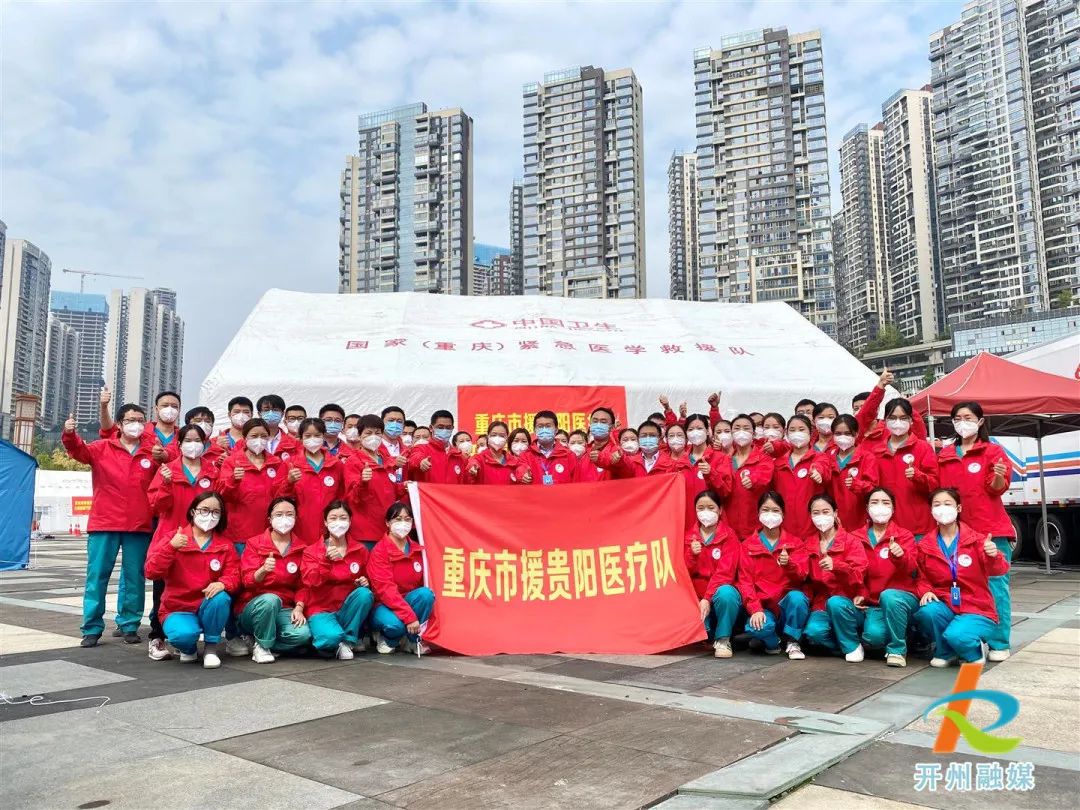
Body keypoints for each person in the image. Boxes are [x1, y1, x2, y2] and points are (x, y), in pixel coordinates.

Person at [62, 405, 160, 647]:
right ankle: (91, 628)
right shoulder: (102, 448)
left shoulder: (151, 453)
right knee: (97, 577)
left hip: (138, 524)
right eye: (130, 420)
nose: (135, 424)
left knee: (135, 578)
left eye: (140, 420)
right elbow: (78, 451)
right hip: (105, 523)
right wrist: (69, 433)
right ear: (118, 424)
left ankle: (129, 624)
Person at [937, 401, 1015, 661]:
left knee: (995, 587)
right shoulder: (946, 455)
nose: (962, 422)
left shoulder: (992, 451)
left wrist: (998, 475)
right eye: (957, 418)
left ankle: (999, 641)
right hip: (957, 533)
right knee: (963, 588)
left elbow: (996, 488)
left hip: (989, 530)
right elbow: (940, 493)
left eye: (968, 417)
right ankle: (969, 639)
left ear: (980, 421)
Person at [146, 424, 220, 661]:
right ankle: (157, 636)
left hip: (203, 538)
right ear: (178, 445)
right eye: (187, 440)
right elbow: (157, 506)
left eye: (197, 440)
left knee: (206, 587)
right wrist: (167, 484)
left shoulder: (212, 471)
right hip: (172, 536)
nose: (193, 444)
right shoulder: (167, 470)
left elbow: (220, 505)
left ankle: (199, 637)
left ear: (205, 443)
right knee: (162, 589)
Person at [913, 489, 1009, 666]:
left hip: (976, 606)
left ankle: (973, 650)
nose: (942, 508)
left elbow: (999, 569)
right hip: (947, 603)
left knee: (957, 635)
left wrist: (993, 555)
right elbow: (922, 576)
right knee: (927, 612)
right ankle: (946, 652)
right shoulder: (925, 545)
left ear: (958, 508)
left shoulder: (977, 540)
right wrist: (926, 590)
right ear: (931, 511)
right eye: (937, 504)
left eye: (947, 504)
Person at [143, 492, 240, 669]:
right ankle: (188, 648)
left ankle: (211, 648)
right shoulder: (174, 538)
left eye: (215, 512)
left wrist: (223, 583)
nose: (209, 516)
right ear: (193, 511)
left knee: (221, 598)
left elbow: (234, 574)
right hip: (178, 607)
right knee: (183, 635)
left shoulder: (225, 544)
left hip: (207, 604)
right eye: (204, 510)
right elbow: (151, 571)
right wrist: (171, 547)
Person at [236, 497, 312, 663]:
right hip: (255, 606)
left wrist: (299, 607)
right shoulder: (254, 544)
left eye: (289, 514)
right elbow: (247, 581)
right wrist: (262, 570)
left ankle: (259, 641)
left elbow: (304, 585)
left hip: (285, 608)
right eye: (279, 514)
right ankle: (262, 646)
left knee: (303, 635)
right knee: (270, 600)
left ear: (296, 518)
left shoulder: (303, 548)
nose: (284, 518)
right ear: (270, 519)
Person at [850, 487, 919, 667]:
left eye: (885, 502)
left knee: (889, 595)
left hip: (900, 598)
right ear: (867, 508)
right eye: (874, 502)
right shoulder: (855, 537)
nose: (880, 507)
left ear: (893, 509)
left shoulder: (904, 536)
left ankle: (897, 650)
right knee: (874, 638)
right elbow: (853, 571)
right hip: (872, 604)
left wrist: (900, 556)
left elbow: (912, 568)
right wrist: (861, 592)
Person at [736, 491, 810, 659]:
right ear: (758, 514)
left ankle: (792, 642)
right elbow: (745, 582)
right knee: (758, 628)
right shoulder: (747, 545)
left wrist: (789, 564)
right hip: (763, 607)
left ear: (783, 514)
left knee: (798, 598)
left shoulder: (795, 543)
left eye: (775, 510)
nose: (770, 515)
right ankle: (771, 641)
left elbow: (803, 575)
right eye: (765, 510)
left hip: (786, 607)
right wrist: (755, 609)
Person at [301, 501, 374, 659]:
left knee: (364, 594)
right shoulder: (311, 551)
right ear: (326, 522)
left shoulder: (360, 550)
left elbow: (367, 578)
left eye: (343, 517)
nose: (338, 522)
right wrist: (326, 561)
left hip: (346, 609)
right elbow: (310, 582)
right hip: (321, 609)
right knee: (329, 639)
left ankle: (347, 640)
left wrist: (364, 581)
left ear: (350, 521)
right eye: (333, 518)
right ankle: (333, 638)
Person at [801, 495, 869, 661]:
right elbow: (805, 579)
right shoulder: (808, 544)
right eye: (816, 513)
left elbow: (860, 574)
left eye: (826, 511)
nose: (821, 516)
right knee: (813, 633)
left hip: (848, 602)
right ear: (810, 516)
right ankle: (843, 645)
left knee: (836, 603)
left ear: (835, 513)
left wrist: (838, 566)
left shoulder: (851, 541)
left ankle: (852, 645)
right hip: (822, 604)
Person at [367, 502, 434, 654]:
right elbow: (385, 590)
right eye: (398, 519)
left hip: (408, 600)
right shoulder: (379, 551)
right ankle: (388, 639)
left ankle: (411, 641)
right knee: (395, 625)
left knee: (426, 595)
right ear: (387, 523)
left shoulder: (417, 549)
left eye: (407, 519)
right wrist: (409, 617)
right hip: (383, 604)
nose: (403, 523)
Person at [869, 398, 939, 538]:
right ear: (885, 421)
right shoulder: (876, 451)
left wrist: (918, 476)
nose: (897, 422)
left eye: (903, 418)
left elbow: (935, 484)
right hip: (885, 523)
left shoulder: (922, 448)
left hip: (918, 524)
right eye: (893, 418)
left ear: (911, 421)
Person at [685, 491, 743, 658]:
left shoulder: (729, 536)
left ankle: (723, 639)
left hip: (716, 593)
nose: (706, 512)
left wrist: (707, 598)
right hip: (694, 594)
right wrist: (691, 555)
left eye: (711, 507)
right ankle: (705, 633)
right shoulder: (688, 537)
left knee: (727, 593)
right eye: (700, 508)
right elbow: (682, 571)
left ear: (720, 510)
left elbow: (725, 573)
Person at [216, 418, 288, 549]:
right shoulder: (231, 462)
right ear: (245, 437)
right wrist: (233, 480)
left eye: (263, 436)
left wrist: (290, 482)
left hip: (269, 532)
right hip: (239, 533)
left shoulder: (276, 463)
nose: (259, 439)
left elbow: (281, 495)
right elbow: (223, 496)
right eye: (254, 436)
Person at [280, 417, 345, 545]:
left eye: (317, 435)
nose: (313, 439)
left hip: (330, 527)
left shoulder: (336, 464)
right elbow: (279, 497)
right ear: (300, 437)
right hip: (300, 527)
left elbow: (342, 495)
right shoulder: (290, 464)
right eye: (308, 435)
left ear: (323, 436)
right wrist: (289, 482)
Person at [770, 414, 832, 539]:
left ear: (811, 432)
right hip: (785, 526)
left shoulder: (819, 457)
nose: (796, 433)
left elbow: (822, 468)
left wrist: (818, 472)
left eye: (801, 429)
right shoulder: (778, 463)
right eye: (792, 430)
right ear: (786, 433)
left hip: (812, 526)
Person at [344, 414, 405, 540]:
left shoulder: (387, 461)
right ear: (360, 436)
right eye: (368, 433)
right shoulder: (353, 461)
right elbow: (352, 498)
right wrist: (363, 482)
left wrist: (403, 487)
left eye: (377, 433)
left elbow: (389, 492)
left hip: (388, 528)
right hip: (365, 532)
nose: (373, 437)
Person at [724, 414, 775, 539]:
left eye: (746, 428)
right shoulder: (725, 460)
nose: (741, 432)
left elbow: (764, 474)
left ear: (753, 433)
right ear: (731, 433)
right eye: (737, 428)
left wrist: (753, 479)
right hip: (729, 526)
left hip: (756, 526)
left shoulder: (763, 458)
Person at [827, 414, 879, 531]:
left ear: (856, 434)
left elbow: (873, 488)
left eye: (847, 433)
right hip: (834, 519)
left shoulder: (867, 457)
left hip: (860, 519)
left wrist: (858, 485)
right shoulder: (828, 457)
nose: (842, 437)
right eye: (838, 434)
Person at [99, 389, 181, 464]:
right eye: (165, 405)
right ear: (156, 409)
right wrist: (104, 406)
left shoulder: (184, 437)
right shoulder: (138, 430)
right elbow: (109, 432)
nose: (170, 409)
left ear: (179, 410)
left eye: (174, 406)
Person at [855, 368, 928, 444]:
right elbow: (864, 414)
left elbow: (918, 429)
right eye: (856, 408)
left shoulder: (889, 429)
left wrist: (903, 405)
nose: (860, 410)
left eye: (903, 418)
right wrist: (881, 384)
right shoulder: (856, 433)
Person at [600, 421, 688, 479]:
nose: (648, 438)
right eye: (644, 435)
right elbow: (620, 466)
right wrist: (616, 459)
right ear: (638, 439)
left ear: (659, 438)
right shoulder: (631, 462)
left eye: (652, 435)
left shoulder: (671, 465)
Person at [516, 411, 580, 485]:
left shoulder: (569, 455)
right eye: (540, 426)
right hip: (536, 496)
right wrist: (522, 475)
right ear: (534, 430)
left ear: (556, 429)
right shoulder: (525, 455)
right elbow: (521, 468)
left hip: (562, 496)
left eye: (548, 426)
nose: (544, 429)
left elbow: (576, 484)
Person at [408, 409, 466, 484]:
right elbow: (414, 458)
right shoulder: (421, 448)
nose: (444, 430)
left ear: (452, 428)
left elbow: (462, 485)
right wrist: (421, 462)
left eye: (448, 427)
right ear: (431, 428)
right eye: (440, 427)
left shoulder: (458, 456)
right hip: (428, 495)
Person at [257, 394, 301, 461]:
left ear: (282, 413)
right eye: (266, 410)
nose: (271, 413)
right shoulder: (248, 441)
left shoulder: (294, 443)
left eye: (275, 410)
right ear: (259, 414)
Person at [380, 405, 410, 484]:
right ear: (382, 423)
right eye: (391, 420)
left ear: (403, 426)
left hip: (401, 493)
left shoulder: (408, 451)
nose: (395, 424)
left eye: (399, 421)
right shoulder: (373, 448)